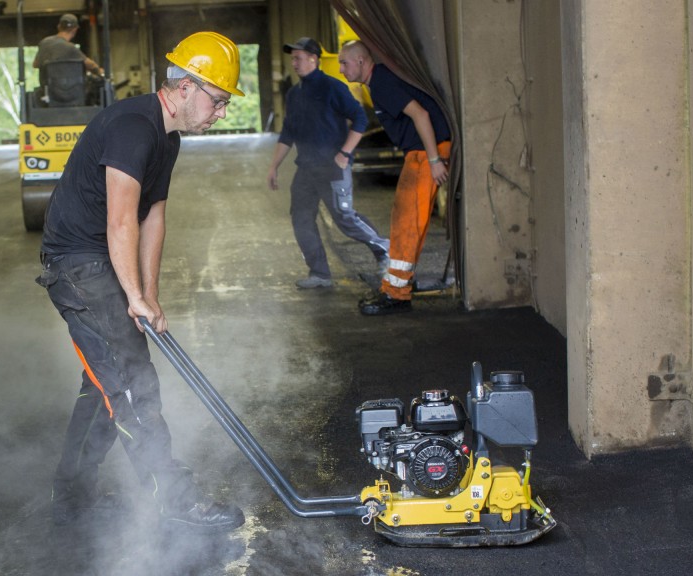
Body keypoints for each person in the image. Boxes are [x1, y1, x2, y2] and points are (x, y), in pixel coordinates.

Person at [35, 31, 246, 533]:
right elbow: (121, 221)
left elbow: (154, 219)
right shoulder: (134, 125)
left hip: (99, 258)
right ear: (185, 86)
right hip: (77, 262)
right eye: (217, 101)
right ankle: (175, 500)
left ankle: (71, 491)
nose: (220, 113)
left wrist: (148, 295)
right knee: (132, 380)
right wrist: (131, 295)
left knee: (105, 379)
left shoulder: (166, 139)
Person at [338, 40, 452, 315]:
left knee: (406, 223)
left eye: (344, 62)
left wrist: (435, 159)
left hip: (425, 154)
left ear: (362, 62)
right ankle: (398, 285)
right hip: (421, 153)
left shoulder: (382, 82)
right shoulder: (380, 82)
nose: (341, 69)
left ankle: (397, 294)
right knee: (407, 220)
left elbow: (420, 115)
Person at [267, 37, 389, 289]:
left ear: (314, 58)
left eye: (298, 58)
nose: (294, 63)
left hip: (333, 168)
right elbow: (288, 133)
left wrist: (345, 153)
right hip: (306, 169)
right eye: (293, 59)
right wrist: (274, 166)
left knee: (344, 218)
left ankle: (385, 250)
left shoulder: (332, 87)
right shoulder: (294, 95)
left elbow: (360, 119)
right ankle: (320, 274)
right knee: (301, 219)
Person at [33, 13, 103, 84]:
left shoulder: (44, 42)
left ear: (59, 27)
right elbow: (90, 64)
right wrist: (99, 71)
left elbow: (35, 64)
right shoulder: (70, 48)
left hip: (46, 90)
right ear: (75, 30)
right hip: (67, 91)